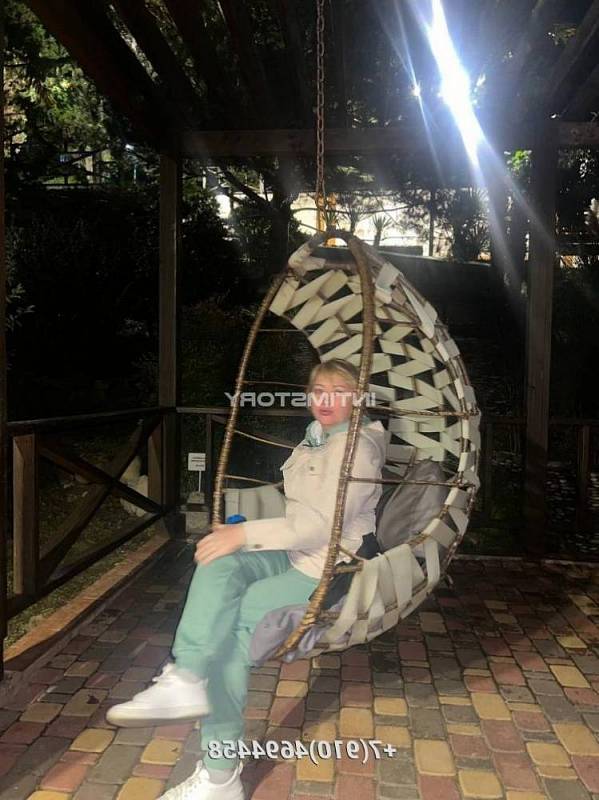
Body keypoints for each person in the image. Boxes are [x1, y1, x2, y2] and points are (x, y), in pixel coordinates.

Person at [106, 358, 386, 800]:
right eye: (317, 390)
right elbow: (295, 510)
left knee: (229, 642)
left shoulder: (357, 449)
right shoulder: (317, 438)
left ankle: (221, 777)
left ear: (358, 397)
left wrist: (245, 533)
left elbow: (322, 525)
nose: (325, 399)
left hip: (329, 568)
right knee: (218, 559)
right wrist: (239, 531)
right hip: (295, 552)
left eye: (338, 390)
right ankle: (185, 676)